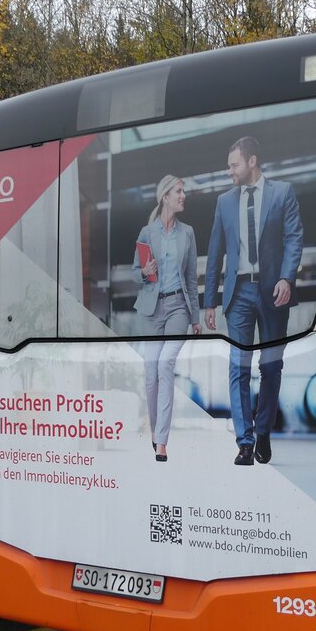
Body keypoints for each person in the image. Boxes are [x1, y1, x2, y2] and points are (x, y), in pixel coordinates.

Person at [203, 136, 303, 466]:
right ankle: (244, 442)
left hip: (274, 290)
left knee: (271, 366)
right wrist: (209, 301)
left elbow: (294, 238)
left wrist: (287, 278)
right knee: (238, 366)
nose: (229, 171)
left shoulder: (282, 193)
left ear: (251, 162)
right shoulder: (224, 202)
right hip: (239, 293)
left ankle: (263, 431)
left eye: (233, 165)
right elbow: (215, 252)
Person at [132, 175, 202, 462]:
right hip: (152, 309)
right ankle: (155, 432)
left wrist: (195, 317)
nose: (183, 196)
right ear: (165, 197)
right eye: (178, 191)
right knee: (150, 374)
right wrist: (145, 271)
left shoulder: (188, 233)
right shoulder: (147, 232)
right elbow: (136, 272)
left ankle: (161, 441)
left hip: (178, 308)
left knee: (164, 364)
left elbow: (191, 279)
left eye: (183, 191)